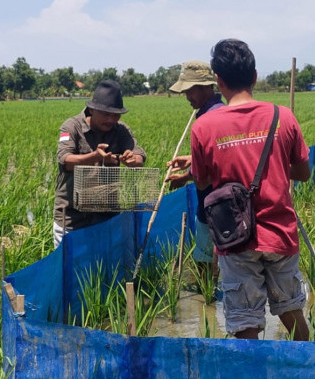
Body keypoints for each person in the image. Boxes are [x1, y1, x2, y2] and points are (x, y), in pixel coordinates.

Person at [190, 39, 311, 340]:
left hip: (234, 238)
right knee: (291, 312)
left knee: (245, 324)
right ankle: (307, 374)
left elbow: (202, 181)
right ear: (255, 76)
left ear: (218, 80)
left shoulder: (204, 127)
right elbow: (304, 173)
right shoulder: (283, 116)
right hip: (279, 235)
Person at [53, 79, 146, 248]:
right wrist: (95, 156)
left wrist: (132, 160)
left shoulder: (121, 130)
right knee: (69, 269)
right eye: (106, 114)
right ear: (92, 109)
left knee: (105, 268)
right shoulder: (71, 127)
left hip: (106, 216)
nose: (111, 119)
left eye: (116, 115)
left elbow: (138, 154)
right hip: (73, 218)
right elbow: (65, 160)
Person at [165, 61, 225, 272]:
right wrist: (192, 163)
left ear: (206, 87)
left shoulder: (206, 121)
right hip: (233, 206)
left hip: (211, 207)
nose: (187, 96)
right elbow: (221, 158)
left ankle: (207, 302)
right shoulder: (225, 112)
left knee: (206, 267)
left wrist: (189, 175)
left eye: (190, 91)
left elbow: (203, 179)